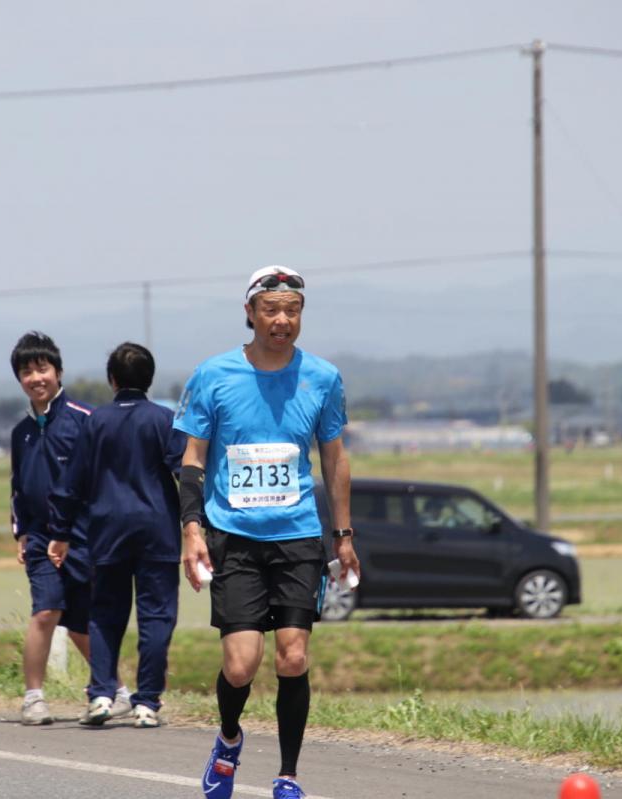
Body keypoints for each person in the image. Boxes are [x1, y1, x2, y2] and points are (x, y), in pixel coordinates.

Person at [174, 265, 360, 799]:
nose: (282, 320)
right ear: (251, 313)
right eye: (272, 310)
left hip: (298, 536)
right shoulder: (214, 375)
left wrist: (343, 535)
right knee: (240, 665)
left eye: (293, 310)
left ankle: (287, 776)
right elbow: (192, 460)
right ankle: (229, 740)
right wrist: (192, 530)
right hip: (232, 536)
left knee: (294, 656)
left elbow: (334, 458)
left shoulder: (322, 377)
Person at [47, 342, 186, 729]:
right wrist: (198, 524)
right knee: (156, 616)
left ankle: (103, 695)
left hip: (107, 530)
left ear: (112, 380)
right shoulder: (164, 419)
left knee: (105, 614)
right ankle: (146, 703)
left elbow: (71, 483)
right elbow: (184, 472)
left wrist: (60, 532)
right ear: (149, 378)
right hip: (158, 531)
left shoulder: (96, 421)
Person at [8, 331, 130, 725]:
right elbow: (17, 487)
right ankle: (33, 698)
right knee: (46, 610)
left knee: (80, 623)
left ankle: (117, 690)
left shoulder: (85, 419)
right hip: (42, 538)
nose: (36, 378)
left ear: (58, 372)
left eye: (42, 368)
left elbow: (112, 476)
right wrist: (21, 531)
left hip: (86, 536)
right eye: (26, 372)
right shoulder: (20, 432)